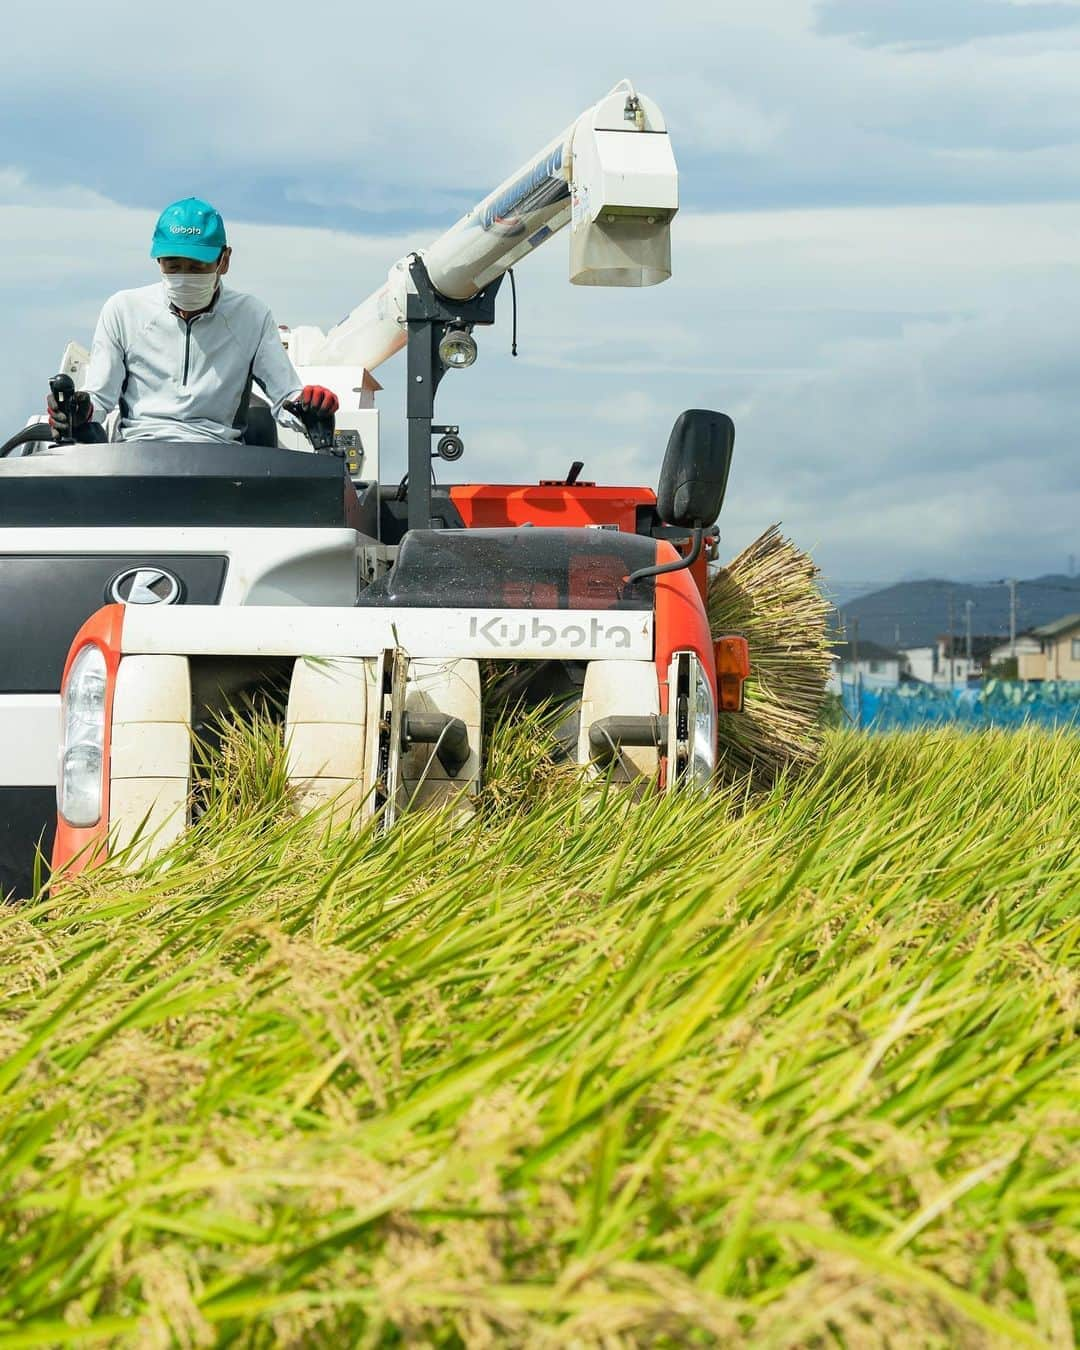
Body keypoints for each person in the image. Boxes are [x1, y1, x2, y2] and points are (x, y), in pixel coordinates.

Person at [47, 197, 338, 444]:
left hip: (222, 467)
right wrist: (78, 410)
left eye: (197, 266)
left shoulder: (252, 316)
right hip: (136, 457)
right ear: (158, 262)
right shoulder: (122, 310)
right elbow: (98, 400)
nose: (184, 276)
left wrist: (312, 408)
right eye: (173, 266)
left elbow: (288, 398)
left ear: (224, 261)